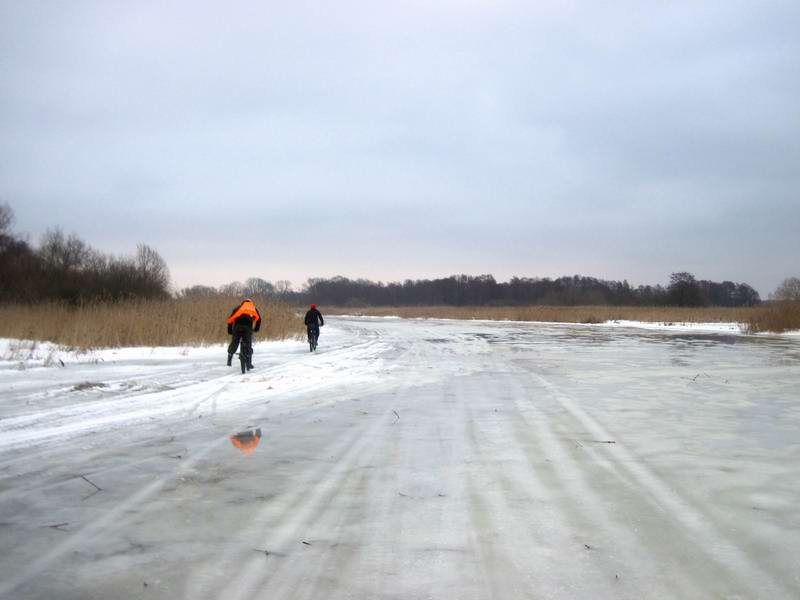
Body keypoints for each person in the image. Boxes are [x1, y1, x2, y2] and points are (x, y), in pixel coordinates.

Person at [226, 298, 262, 370]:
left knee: (235, 342)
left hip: (237, 328)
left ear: (242, 303)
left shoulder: (237, 308)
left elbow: (231, 319)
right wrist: (256, 329)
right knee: (248, 344)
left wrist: (230, 330)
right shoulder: (253, 309)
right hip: (248, 329)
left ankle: (229, 358)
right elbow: (259, 320)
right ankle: (249, 363)